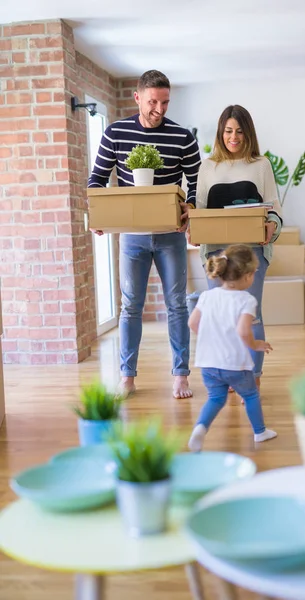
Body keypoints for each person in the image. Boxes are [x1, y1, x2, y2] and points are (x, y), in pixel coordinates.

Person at [88, 70, 201, 399]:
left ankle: (181, 374)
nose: (160, 108)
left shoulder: (182, 137)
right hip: (132, 237)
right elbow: (97, 178)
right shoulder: (115, 132)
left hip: (170, 235)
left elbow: (196, 183)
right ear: (137, 97)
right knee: (130, 307)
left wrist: (190, 207)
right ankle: (127, 376)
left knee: (177, 305)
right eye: (153, 101)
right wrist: (98, 215)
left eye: (165, 102)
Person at [191, 104, 282, 392]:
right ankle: (232, 374)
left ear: (248, 133)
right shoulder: (208, 166)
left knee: (250, 314)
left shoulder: (261, 164)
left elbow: (274, 206)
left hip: (252, 252)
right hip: (216, 254)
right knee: (221, 316)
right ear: (221, 132)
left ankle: (252, 379)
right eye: (229, 131)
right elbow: (200, 209)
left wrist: (272, 225)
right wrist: (193, 229)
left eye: (240, 131)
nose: (234, 137)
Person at [187, 245, 277, 452]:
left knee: (216, 398)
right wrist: (256, 345)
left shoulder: (207, 296)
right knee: (251, 395)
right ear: (246, 276)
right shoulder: (246, 300)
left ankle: (200, 429)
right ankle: (260, 432)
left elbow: (192, 323)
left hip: (208, 362)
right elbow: (244, 331)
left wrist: (211, 338)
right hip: (234, 363)